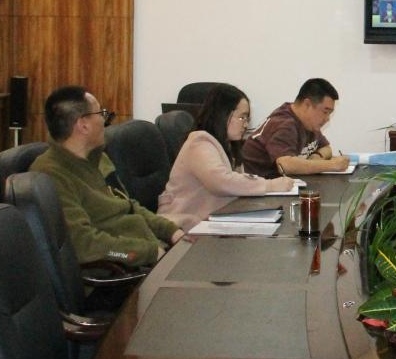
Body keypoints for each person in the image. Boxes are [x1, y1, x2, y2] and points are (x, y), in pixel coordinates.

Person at [30, 86, 182, 267]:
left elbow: (129, 206)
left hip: (150, 252)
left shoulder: (99, 159)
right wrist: (147, 253)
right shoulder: (51, 175)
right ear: (83, 125)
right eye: (101, 114)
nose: (104, 120)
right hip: (123, 269)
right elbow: (85, 246)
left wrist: (172, 232)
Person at [157, 84, 295, 229]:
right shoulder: (199, 142)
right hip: (181, 225)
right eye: (242, 117)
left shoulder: (228, 145)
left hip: (208, 222)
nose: (246, 124)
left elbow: (236, 182)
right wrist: (270, 185)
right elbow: (222, 182)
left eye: (247, 119)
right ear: (223, 115)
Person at [241, 78, 351, 177]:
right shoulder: (285, 124)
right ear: (307, 104)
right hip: (260, 187)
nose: (327, 119)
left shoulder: (307, 122)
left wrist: (316, 157)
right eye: (325, 112)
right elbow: (285, 165)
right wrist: (332, 165)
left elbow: (326, 148)